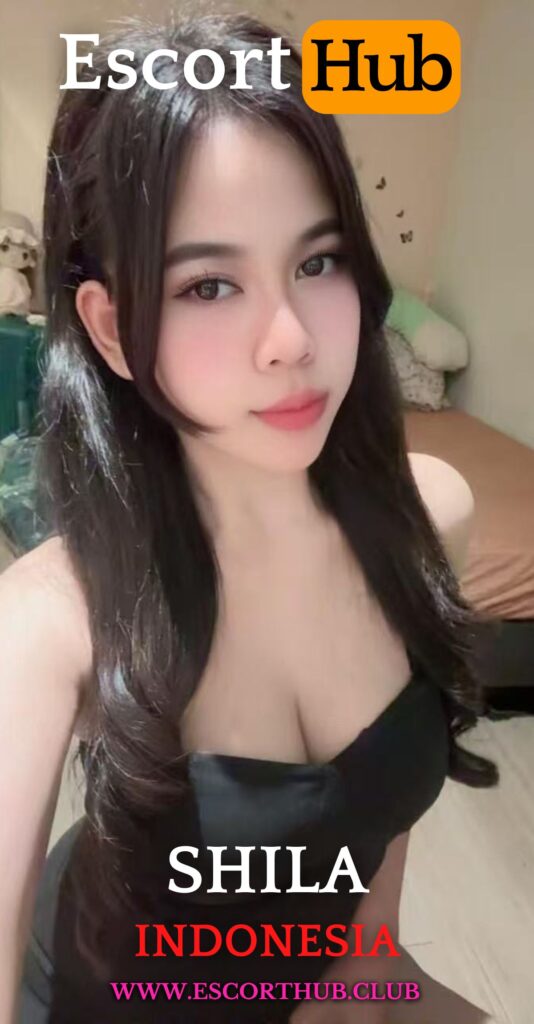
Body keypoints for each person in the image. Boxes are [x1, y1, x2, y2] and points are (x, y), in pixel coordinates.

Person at [0, 6, 500, 1023]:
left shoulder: (427, 518)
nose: (290, 339)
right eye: (210, 284)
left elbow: (376, 877)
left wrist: (363, 981)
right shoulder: (54, 620)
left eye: (318, 262)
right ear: (113, 328)